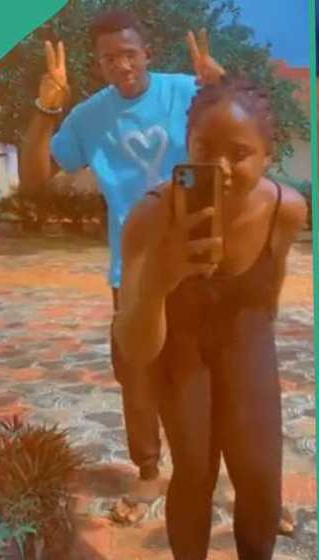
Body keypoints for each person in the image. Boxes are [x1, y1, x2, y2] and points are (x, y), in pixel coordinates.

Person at [18, 9, 224, 482]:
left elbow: (244, 134)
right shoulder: (89, 117)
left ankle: (228, 473)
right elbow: (33, 178)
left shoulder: (188, 91)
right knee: (138, 377)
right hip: (132, 269)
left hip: (199, 259)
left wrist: (224, 87)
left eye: (130, 54)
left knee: (212, 376)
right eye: (110, 58)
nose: (123, 66)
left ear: (147, 52)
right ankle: (149, 474)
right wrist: (45, 109)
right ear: (98, 64)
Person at [113, 77, 307, 558]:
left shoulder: (285, 209)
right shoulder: (151, 219)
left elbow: (271, 286)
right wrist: (162, 275)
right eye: (204, 148)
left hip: (246, 341)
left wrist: (254, 350)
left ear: (267, 155)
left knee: (261, 478)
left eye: (238, 153)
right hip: (177, 350)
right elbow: (136, 347)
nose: (218, 167)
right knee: (195, 472)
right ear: (188, 144)